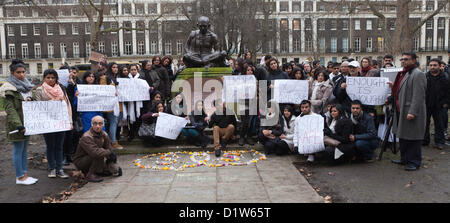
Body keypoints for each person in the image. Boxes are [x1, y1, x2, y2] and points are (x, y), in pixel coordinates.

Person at [0, 59, 38, 185]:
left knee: (24, 150)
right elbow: (10, 110)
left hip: (27, 123)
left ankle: (25, 174)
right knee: (18, 149)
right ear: (12, 73)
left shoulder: (26, 85)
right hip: (17, 125)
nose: (22, 75)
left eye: (23, 72)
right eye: (18, 72)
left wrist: (30, 101)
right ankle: (20, 177)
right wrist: (19, 125)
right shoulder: (8, 88)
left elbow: (29, 104)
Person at [390, 52, 427, 171]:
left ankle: (414, 162)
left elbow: (419, 95)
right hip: (402, 109)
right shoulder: (405, 73)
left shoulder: (418, 74)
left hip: (410, 111)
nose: (403, 61)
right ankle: (404, 158)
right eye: (402, 59)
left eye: (406, 59)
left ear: (414, 60)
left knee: (413, 138)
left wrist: (413, 112)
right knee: (403, 136)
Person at [34, 69, 72, 179]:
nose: (51, 80)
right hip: (48, 123)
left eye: (53, 77)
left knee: (59, 146)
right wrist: (52, 103)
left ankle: (60, 168)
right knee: (50, 146)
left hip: (60, 122)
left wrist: (70, 121)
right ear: (44, 78)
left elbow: (67, 105)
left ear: (56, 78)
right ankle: (52, 168)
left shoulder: (61, 88)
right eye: (48, 77)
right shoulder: (40, 90)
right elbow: (38, 106)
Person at [73, 116, 122, 182]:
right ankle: (89, 175)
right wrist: (109, 152)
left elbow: (109, 148)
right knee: (98, 153)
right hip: (81, 161)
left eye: (100, 123)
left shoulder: (104, 135)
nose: (97, 126)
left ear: (103, 125)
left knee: (112, 169)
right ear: (92, 124)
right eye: (95, 124)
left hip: (95, 158)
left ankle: (100, 171)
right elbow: (95, 152)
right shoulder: (86, 136)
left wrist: (112, 159)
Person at [423, 58, 449, 150]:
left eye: (435, 65)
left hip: (440, 105)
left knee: (439, 124)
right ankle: (425, 140)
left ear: (439, 66)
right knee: (425, 124)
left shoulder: (445, 77)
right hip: (427, 104)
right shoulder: (425, 77)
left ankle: (439, 142)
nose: (432, 67)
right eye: (431, 65)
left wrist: (446, 103)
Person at [63, 66, 83, 165]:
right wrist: (69, 84)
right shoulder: (63, 83)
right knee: (67, 136)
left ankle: (73, 154)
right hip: (65, 112)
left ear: (77, 74)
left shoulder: (79, 82)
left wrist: (73, 84)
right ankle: (66, 155)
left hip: (75, 113)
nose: (71, 74)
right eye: (70, 72)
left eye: (74, 72)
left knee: (76, 134)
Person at [103, 62, 123, 150]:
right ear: (110, 68)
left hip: (118, 104)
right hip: (110, 104)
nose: (116, 69)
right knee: (113, 122)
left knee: (115, 122)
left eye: (117, 67)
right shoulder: (105, 78)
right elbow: (103, 89)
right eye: (113, 67)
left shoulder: (117, 78)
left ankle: (111, 141)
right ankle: (113, 142)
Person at [125, 64, 145, 142]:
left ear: (137, 70)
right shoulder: (126, 79)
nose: (133, 71)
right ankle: (132, 134)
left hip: (139, 101)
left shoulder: (141, 78)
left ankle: (138, 133)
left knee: (139, 117)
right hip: (130, 101)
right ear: (130, 70)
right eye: (132, 70)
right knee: (131, 117)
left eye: (134, 69)